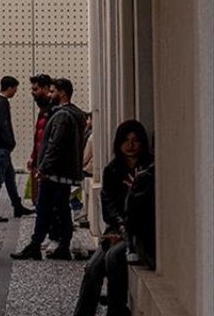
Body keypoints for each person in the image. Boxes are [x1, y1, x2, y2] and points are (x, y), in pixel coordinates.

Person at [73, 120, 152, 316]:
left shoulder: (149, 170)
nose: (131, 145)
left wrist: (127, 229)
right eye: (126, 140)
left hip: (138, 233)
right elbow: (108, 206)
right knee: (92, 269)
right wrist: (120, 226)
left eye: (135, 140)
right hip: (116, 230)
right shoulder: (112, 170)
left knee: (113, 258)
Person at [12, 78, 87, 260]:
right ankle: (62, 245)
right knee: (62, 209)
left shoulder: (62, 116)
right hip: (64, 172)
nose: (50, 95)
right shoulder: (76, 114)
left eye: (53, 91)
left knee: (44, 208)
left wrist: (43, 167)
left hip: (55, 171)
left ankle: (35, 245)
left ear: (62, 93)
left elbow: (55, 144)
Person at [0, 76, 35, 222]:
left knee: (10, 177)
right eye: (15, 88)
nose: (16, 92)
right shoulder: (2, 103)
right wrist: (9, 142)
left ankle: (17, 206)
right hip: (1, 146)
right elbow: (2, 125)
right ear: (10, 87)